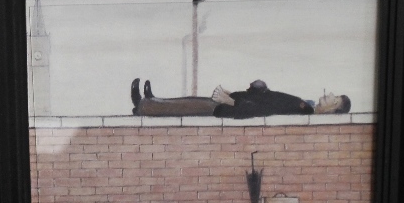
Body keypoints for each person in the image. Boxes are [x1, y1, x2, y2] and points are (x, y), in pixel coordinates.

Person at [130, 78, 350, 118]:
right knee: (193, 100)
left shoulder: (302, 111)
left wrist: (231, 101)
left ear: (332, 111)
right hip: (232, 103)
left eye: (334, 99)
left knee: (192, 105)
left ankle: (144, 106)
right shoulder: (305, 106)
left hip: (230, 108)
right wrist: (260, 89)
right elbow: (269, 101)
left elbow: (263, 111)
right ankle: (152, 101)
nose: (329, 95)